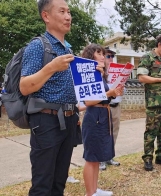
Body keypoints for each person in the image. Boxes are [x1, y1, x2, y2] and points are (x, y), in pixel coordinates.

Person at [19, 0, 105, 195]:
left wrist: (94, 73)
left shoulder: (68, 49)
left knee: (59, 182)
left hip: (69, 119)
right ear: (46, 16)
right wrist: (51, 67)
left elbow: (75, 88)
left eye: (69, 11)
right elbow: (24, 87)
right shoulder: (38, 46)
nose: (68, 16)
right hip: (46, 121)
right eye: (62, 11)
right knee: (42, 184)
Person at [81, 44, 122, 196]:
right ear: (90, 56)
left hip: (103, 115)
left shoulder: (100, 74)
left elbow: (103, 97)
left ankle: (94, 190)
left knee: (97, 157)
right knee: (91, 158)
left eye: (103, 54)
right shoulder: (88, 74)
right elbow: (89, 101)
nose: (102, 56)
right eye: (99, 53)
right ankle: (89, 193)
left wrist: (113, 92)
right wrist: (109, 92)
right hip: (94, 116)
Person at [137, 33, 161, 171]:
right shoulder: (148, 58)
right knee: (151, 132)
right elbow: (141, 77)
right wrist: (160, 80)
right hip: (154, 104)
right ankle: (147, 158)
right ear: (160, 44)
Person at [99, 47, 123, 170]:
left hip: (116, 104)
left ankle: (109, 156)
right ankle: (101, 159)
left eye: (112, 56)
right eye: (108, 56)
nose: (110, 58)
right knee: (103, 133)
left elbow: (121, 91)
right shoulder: (99, 72)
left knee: (114, 132)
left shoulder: (117, 71)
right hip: (104, 106)